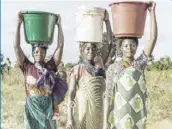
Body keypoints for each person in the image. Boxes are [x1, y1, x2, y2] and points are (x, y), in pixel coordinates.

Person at [103, 2, 157, 129]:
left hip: (137, 117)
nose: (129, 48)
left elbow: (153, 39)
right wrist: (105, 121)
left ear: (137, 47)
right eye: (126, 46)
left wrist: (152, 12)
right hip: (118, 118)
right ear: (120, 48)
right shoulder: (113, 68)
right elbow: (108, 95)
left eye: (133, 45)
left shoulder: (139, 64)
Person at [14, 11, 67, 129]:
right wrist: (18, 24)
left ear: (45, 54)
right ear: (33, 53)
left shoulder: (50, 67)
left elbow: (60, 45)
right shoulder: (27, 66)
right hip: (32, 108)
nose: (39, 53)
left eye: (42, 51)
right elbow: (16, 47)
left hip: (47, 108)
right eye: (36, 51)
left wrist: (59, 25)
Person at [66, 10, 111, 129]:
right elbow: (71, 94)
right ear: (82, 51)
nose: (91, 51)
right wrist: (70, 118)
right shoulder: (77, 69)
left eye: (93, 49)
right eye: (87, 49)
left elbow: (109, 44)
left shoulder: (100, 67)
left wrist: (107, 21)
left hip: (98, 111)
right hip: (83, 112)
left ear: (97, 51)